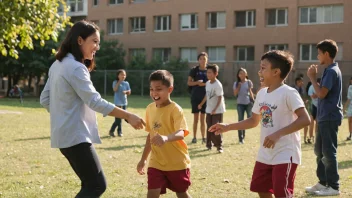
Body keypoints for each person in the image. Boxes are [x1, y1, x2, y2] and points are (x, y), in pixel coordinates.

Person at [39, 20, 145, 197]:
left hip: (64, 136)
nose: (97, 47)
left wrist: (62, 114)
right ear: (80, 40)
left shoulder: (57, 64)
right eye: (94, 42)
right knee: (96, 185)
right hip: (75, 137)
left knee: (89, 184)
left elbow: (44, 99)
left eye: (99, 43)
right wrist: (128, 115)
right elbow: (95, 102)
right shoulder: (75, 68)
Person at [209, 50, 311, 198]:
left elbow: (305, 119)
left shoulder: (289, 93)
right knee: (261, 188)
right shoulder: (262, 93)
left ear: (276, 72)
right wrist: (228, 126)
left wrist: (278, 134)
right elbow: (253, 120)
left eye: (263, 68)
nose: (259, 72)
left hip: (285, 152)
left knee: (281, 193)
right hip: (265, 153)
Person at [137, 70, 191, 198]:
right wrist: (143, 159)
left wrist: (166, 138)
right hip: (156, 162)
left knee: (182, 193)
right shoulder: (150, 108)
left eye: (159, 89)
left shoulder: (175, 109)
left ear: (169, 89)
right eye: (151, 89)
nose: (154, 93)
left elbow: (182, 132)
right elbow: (150, 136)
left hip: (177, 162)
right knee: (152, 194)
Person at [306, 39, 343, 196]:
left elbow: (322, 93)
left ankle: (333, 187)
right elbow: (322, 94)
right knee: (319, 151)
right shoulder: (328, 70)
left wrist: (312, 77)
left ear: (326, 54)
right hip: (323, 117)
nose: (317, 56)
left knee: (328, 152)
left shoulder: (332, 70)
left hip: (329, 117)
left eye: (319, 53)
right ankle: (323, 182)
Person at [198, 64, 226, 153]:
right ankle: (209, 144)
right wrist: (201, 104)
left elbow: (220, 98)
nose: (208, 74)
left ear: (215, 73)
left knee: (216, 128)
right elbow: (207, 95)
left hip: (217, 110)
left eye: (210, 72)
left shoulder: (218, 85)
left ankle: (219, 146)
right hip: (209, 110)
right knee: (209, 127)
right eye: (207, 72)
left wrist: (215, 109)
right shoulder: (207, 83)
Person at [187, 52, 208, 144]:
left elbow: (212, 82)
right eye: (201, 59)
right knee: (196, 119)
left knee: (203, 119)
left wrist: (204, 84)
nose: (203, 60)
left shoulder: (209, 70)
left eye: (204, 58)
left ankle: (203, 137)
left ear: (207, 60)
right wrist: (197, 83)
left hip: (205, 97)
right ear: (198, 60)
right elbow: (189, 83)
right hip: (195, 97)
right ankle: (194, 137)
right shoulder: (194, 70)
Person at [233, 68, 254, 144]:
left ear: (246, 74)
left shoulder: (249, 82)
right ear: (238, 75)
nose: (242, 75)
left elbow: (250, 92)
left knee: (248, 119)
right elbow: (235, 94)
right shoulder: (236, 83)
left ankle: (243, 135)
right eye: (240, 73)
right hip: (240, 104)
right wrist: (238, 87)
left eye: (243, 73)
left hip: (248, 103)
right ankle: (240, 138)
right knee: (240, 120)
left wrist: (253, 100)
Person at [109, 69, 131, 137]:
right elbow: (115, 89)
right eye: (121, 74)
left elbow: (129, 92)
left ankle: (112, 131)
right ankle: (118, 132)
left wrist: (126, 92)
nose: (123, 76)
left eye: (124, 75)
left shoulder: (126, 83)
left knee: (121, 118)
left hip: (124, 102)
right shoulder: (115, 82)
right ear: (118, 75)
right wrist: (119, 82)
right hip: (117, 103)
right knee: (118, 118)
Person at [293, 76, 310, 144]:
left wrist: (305, 101)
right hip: (295, 109)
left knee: (306, 123)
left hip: (302, 107)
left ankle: (305, 138)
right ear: (297, 82)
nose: (302, 83)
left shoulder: (302, 89)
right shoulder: (293, 90)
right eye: (301, 81)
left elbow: (303, 97)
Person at [307, 78, 321, 144]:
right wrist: (317, 95)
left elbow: (321, 95)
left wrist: (317, 95)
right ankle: (310, 137)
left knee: (317, 123)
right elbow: (312, 96)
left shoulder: (321, 87)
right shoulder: (311, 87)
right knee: (311, 122)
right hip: (313, 106)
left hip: (319, 107)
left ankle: (316, 137)